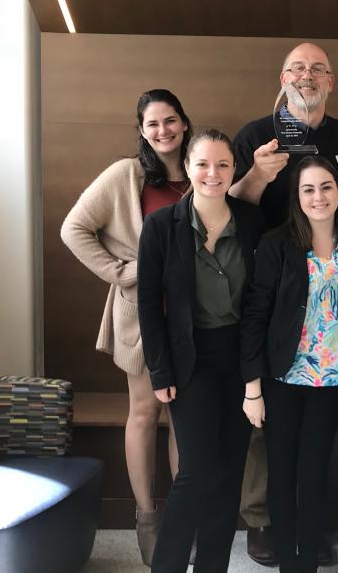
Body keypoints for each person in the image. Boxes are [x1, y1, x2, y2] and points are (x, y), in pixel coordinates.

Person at [230, 42, 338, 566]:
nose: (307, 76)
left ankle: (308, 536)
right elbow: (234, 203)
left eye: (317, 69)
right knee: (273, 447)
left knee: (315, 454)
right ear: (282, 78)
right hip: (272, 271)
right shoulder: (255, 134)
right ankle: (269, 528)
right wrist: (261, 172)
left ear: (331, 80)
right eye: (297, 68)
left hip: (330, 328)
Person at [61, 88, 192, 565]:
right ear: (141, 130)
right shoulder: (126, 174)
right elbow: (73, 228)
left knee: (184, 419)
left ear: (184, 122)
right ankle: (145, 514)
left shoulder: (202, 169)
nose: (163, 131)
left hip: (194, 320)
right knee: (144, 412)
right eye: (153, 123)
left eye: (171, 120)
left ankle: (180, 515)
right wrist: (123, 271)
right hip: (141, 317)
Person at [137, 129, 265, 572]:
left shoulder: (251, 221)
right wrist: (159, 372)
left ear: (234, 170)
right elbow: (149, 304)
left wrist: (255, 371)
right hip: (188, 360)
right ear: (188, 168)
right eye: (203, 164)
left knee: (231, 473)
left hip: (240, 356)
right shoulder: (161, 225)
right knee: (195, 471)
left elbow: (257, 302)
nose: (213, 174)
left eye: (223, 165)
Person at [240, 156, 338, 573]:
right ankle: (287, 562)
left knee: (314, 472)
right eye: (308, 189)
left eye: (326, 187)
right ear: (297, 198)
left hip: (334, 377)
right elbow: (256, 314)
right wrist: (252, 388)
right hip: (283, 374)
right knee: (281, 471)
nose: (319, 197)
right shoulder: (278, 242)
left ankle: (306, 561)